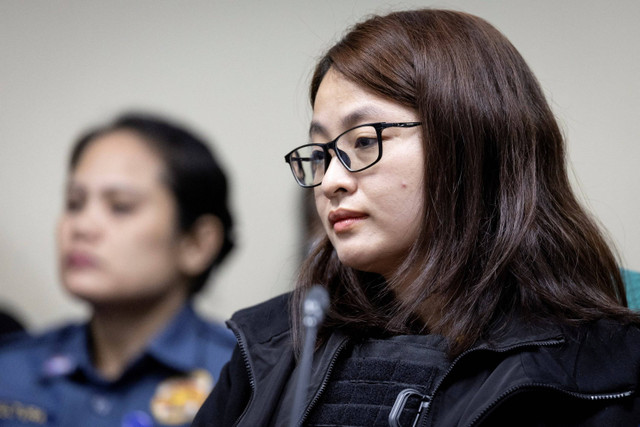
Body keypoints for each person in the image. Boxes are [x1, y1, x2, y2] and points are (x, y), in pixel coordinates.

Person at [192, 8, 640, 427]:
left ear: (471, 143)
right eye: (322, 152)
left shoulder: (612, 367)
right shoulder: (270, 346)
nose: (330, 181)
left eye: (363, 141)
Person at [0, 113, 236, 426]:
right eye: (74, 203)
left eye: (120, 206)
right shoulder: (12, 370)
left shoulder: (242, 378)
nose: (82, 226)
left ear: (196, 243)